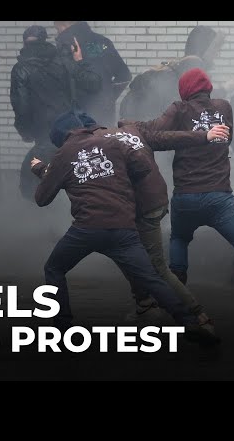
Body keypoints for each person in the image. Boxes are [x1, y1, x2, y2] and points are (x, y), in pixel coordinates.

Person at [29, 112, 222, 345]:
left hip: (85, 231)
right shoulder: (113, 143)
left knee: (54, 268)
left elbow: (42, 198)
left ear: (61, 138)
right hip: (123, 229)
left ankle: (62, 328)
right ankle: (188, 321)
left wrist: (45, 171)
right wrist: (114, 175)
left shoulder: (64, 155)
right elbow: (141, 168)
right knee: (151, 277)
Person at [139, 67, 234, 324]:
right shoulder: (224, 107)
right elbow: (228, 138)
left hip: (186, 197)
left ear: (185, 91)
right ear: (208, 87)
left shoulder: (178, 109)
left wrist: (132, 127)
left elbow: (154, 135)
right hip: (220, 198)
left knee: (179, 239)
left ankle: (179, 299)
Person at [99, 114, 229, 327]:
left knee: (154, 265)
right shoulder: (133, 129)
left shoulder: (94, 143)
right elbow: (168, 137)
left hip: (141, 207)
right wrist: (204, 135)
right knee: (134, 256)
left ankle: (197, 315)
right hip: (154, 201)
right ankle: (145, 306)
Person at [9, 25, 101, 201]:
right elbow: (93, 84)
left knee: (35, 177)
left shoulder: (21, 69)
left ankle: (40, 219)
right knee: (70, 171)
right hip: (70, 127)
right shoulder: (63, 61)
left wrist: (25, 131)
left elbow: (21, 106)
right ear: (45, 40)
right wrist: (79, 60)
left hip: (44, 133)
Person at [54, 21, 131, 128]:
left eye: (57, 29)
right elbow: (124, 75)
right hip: (104, 115)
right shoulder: (103, 42)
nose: (57, 34)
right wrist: (108, 97)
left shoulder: (65, 45)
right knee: (104, 143)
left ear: (62, 25)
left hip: (76, 118)